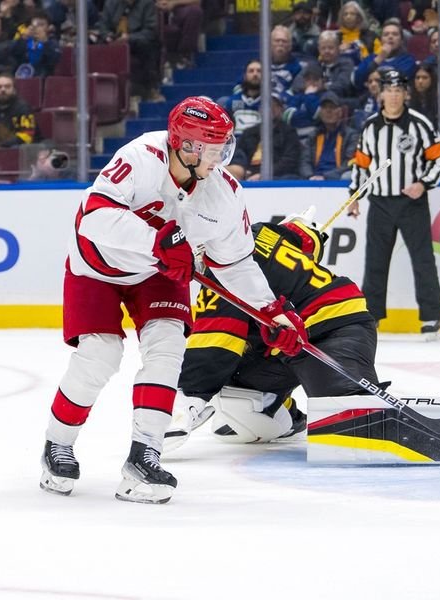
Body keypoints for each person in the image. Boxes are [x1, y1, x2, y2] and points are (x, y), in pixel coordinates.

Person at [38, 97, 308, 504]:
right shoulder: (140, 158)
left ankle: (144, 456)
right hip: (97, 266)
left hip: (160, 274)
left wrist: (271, 312)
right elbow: (94, 215)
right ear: (187, 145)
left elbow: (236, 262)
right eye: (215, 148)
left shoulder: (225, 193)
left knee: (167, 349)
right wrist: (156, 241)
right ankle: (57, 444)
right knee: (101, 355)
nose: (223, 157)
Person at [164, 213, 380, 449]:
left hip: (333, 325)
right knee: (241, 404)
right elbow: (306, 239)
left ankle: (365, 407)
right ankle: (284, 414)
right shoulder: (262, 230)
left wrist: (187, 397)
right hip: (287, 341)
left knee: (352, 426)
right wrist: (305, 228)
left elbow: (215, 345)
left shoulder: (223, 271)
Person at [347, 68, 440, 340]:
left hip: (411, 203)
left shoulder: (419, 124)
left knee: (423, 259)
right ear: (381, 94)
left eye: (398, 90)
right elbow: (362, 164)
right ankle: (372, 317)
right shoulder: (370, 127)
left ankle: (431, 318)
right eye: (388, 90)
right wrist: (355, 197)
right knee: (375, 262)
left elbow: (439, 158)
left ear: (406, 93)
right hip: (379, 202)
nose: (393, 95)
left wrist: (423, 184)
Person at [299, 91, 359, 180]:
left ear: (340, 112)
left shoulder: (351, 135)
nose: (328, 111)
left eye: (332, 107)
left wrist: (325, 177)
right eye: (324, 107)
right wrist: (310, 176)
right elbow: (305, 161)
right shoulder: (313, 135)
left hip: (337, 180)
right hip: (314, 180)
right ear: (320, 112)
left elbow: (349, 163)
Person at [351, 19, 416, 92]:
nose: (390, 37)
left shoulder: (408, 60)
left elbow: (398, 81)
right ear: (381, 40)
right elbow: (357, 79)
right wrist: (380, 58)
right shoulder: (371, 58)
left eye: (395, 34)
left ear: (401, 41)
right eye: (386, 34)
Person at [0, 73, 37, 148]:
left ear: (14, 90)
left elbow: (27, 136)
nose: (3, 89)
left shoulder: (23, 108)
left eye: (7, 86)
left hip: (22, 150)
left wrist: (0, 146)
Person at [10, 12, 61, 78]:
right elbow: (12, 54)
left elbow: (54, 61)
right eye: (34, 25)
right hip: (21, 75)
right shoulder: (24, 40)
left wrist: (45, 43)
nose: (37, 28)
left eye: (41, 25)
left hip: (43, 78)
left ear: (49, 27)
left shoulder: (52, 42)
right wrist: (23, 38)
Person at [218, 59, 261, 136]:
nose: (255, 74)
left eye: (259, 71)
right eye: (251, 71)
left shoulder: (271, 103)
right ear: (245, 76)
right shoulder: (233, 101)